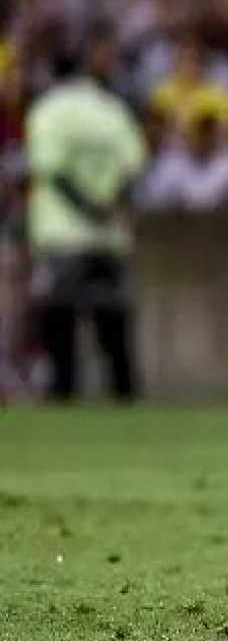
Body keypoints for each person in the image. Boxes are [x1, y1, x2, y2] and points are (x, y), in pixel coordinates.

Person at [24, 36, 148, 401]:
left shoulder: (47, 110)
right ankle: (125, 403)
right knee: (114, 329)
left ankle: (64, 398)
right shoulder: (113, 110)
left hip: (60, 234)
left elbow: (51, 171)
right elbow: (133, 167)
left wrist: (84, 208)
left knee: (60, 326)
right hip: (109, 235)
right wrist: (106, 206)